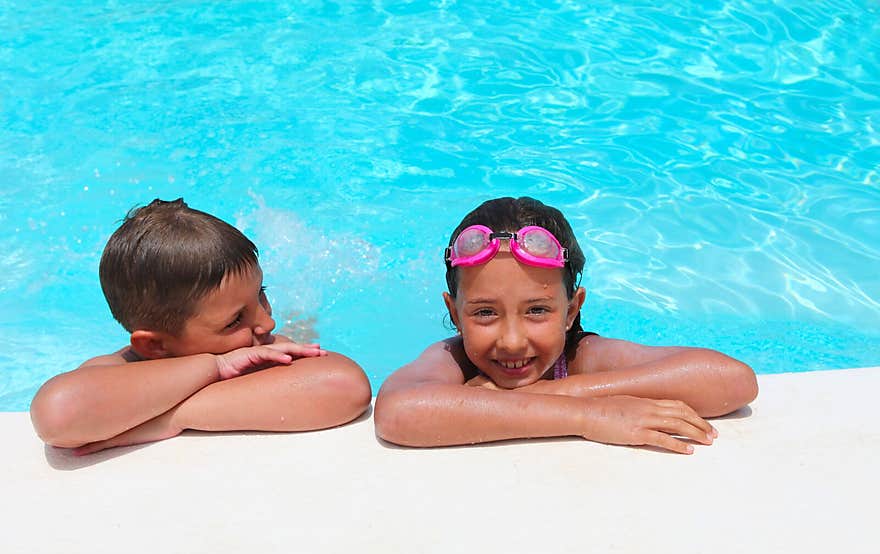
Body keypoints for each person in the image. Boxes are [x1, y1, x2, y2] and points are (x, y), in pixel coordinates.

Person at [374, 196, 758, 454]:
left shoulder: (580, 357)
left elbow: (732, 380)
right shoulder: (453, 359)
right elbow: (398, 413)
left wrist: (561, 390)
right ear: (455, 314)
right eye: (485, 313)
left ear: (572, 310)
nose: (511, 341)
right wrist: (588, 415)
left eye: (537, 311)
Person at [31, 198, 372, 455]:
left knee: (303, 330)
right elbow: (57, 414)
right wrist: (216, 366)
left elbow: (345, 386)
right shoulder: (121, 368)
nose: (267, 321)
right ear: (155, 346)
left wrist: (169, 418)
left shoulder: (261, 348)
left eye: (262, 294)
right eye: (236, 319)